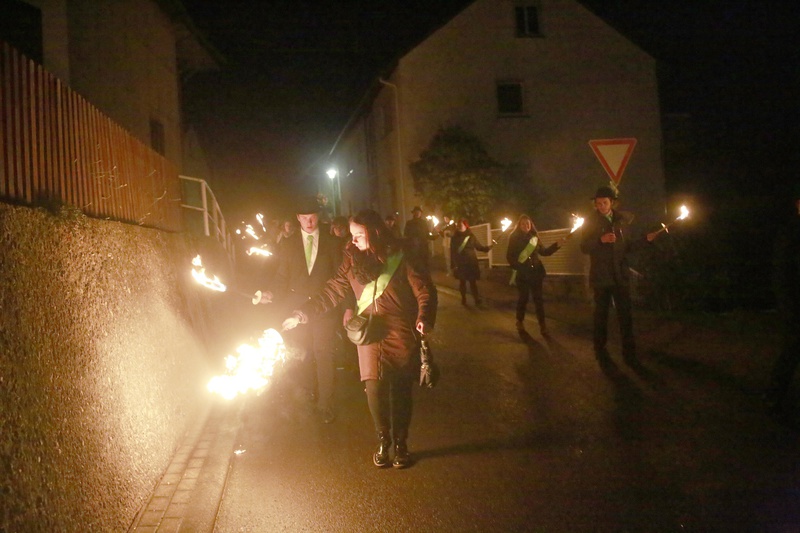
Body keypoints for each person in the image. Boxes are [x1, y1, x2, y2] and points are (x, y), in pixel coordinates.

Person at [282, 209, 437, 468]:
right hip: (369, 332)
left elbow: (424, 290)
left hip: (399, 331)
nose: (352, 240)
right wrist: (303, 313)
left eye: (358, 235)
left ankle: (401, 444)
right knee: (373, 390)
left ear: (374, 232)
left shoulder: (402, 255)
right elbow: (332, 290)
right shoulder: (351, 259)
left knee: (400, 390)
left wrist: (424, 316)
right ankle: (383, 440)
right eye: (352, 235)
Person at [254, 197, 343, 423]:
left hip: (325, 306)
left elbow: (341, 279)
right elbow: (282, 276)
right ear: (298, 218)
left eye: (312, 217)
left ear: (318, 216)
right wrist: (270, 293)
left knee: (324, 353)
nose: (309, 222)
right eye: (304, 218)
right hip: (296, 308)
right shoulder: (289, 243)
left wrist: (348, 308)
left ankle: (326, 404)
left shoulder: (333, 242)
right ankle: (309, 392)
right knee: (303, 352)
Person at [580, 186, 657, 365]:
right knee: (601, 315)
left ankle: (629, 352)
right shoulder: (590, 221)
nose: (601, 206)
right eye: (598, 203)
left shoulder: (621, 221)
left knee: (625, 315)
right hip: (601, 277)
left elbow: (628, 246)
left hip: (620, 275)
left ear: (612, 203)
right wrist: (600, 240)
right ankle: (600, 349)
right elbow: (583, 247)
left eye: (604, 202)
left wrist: (646, 240)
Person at [765, 187, 800, 418]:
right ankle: (773, 396)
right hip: (794, 301)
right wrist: (788, 303)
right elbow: (783, 272)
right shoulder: (791, 232)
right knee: (792, 349)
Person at [506, 214, 565, 335]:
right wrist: (517, 266)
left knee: (538, 300)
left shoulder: (534, 238)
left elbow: (544, 252)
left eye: (527, 224)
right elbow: (509, 256)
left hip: (536, 273)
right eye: (523, 224)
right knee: (523, 298)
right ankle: (520, 321)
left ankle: (543, 326)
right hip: (522, 274)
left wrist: (556, 245)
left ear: (531, 225)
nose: (525, 226)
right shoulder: (514, 238)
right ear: (519, 225)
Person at [450, 218, 492, 306]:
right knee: (462, 282)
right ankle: (463, 298)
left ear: (466, 226)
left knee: (473, 282)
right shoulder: (454, 238)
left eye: (461, 225)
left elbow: (478, 246)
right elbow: (452, 251)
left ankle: (476, 299)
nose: (460, 226)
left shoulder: (471, 236)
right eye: (458, 225)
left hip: (471, 262)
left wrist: (487, 248)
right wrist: (453, 264)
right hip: (461, 262)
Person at [403, 206, 436, 270]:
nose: (417, 213)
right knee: (414, 264)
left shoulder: (424, 223)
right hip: (413, 247)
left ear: (421, 213)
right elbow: (406, 234)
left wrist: (433, 237)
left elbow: (427, 234)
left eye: (419, 212)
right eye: (416, 212)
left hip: (423, 247)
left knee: (424, 263)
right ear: (413, 213)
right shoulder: (409, 223)